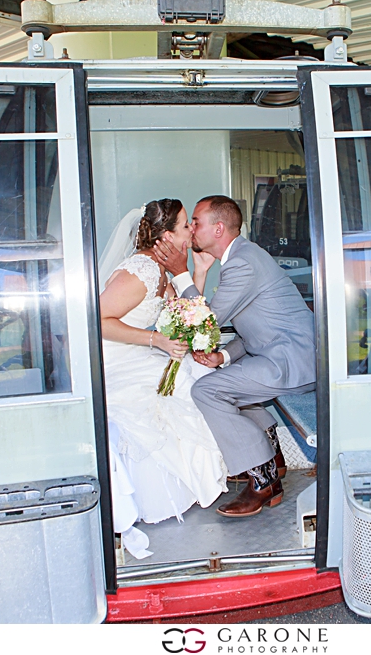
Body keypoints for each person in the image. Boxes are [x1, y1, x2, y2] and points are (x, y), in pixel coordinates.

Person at [155, 195, 316, 518]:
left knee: (207, 390)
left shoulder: (242, 262)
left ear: (218, 229)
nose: (191, 228)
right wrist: (224, 358)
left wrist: (180, 272)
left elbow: (207, 321)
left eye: (196, 222)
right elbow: (254, 327)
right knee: (222, 380)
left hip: (291, 362)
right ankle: (273, 460)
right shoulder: (242, 256)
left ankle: (263, 480)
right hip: (283, 354)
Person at [98, 198, 228, 557]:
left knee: (198, 374)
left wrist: (197, 272)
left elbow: (189, 318)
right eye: (186, 225)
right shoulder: (140, 271)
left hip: (139, 351)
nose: (191, 230)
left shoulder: (161, 270)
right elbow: (99, 321)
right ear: (167, 235)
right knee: (185, 388)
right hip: (116, 360)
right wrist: (155, 340)